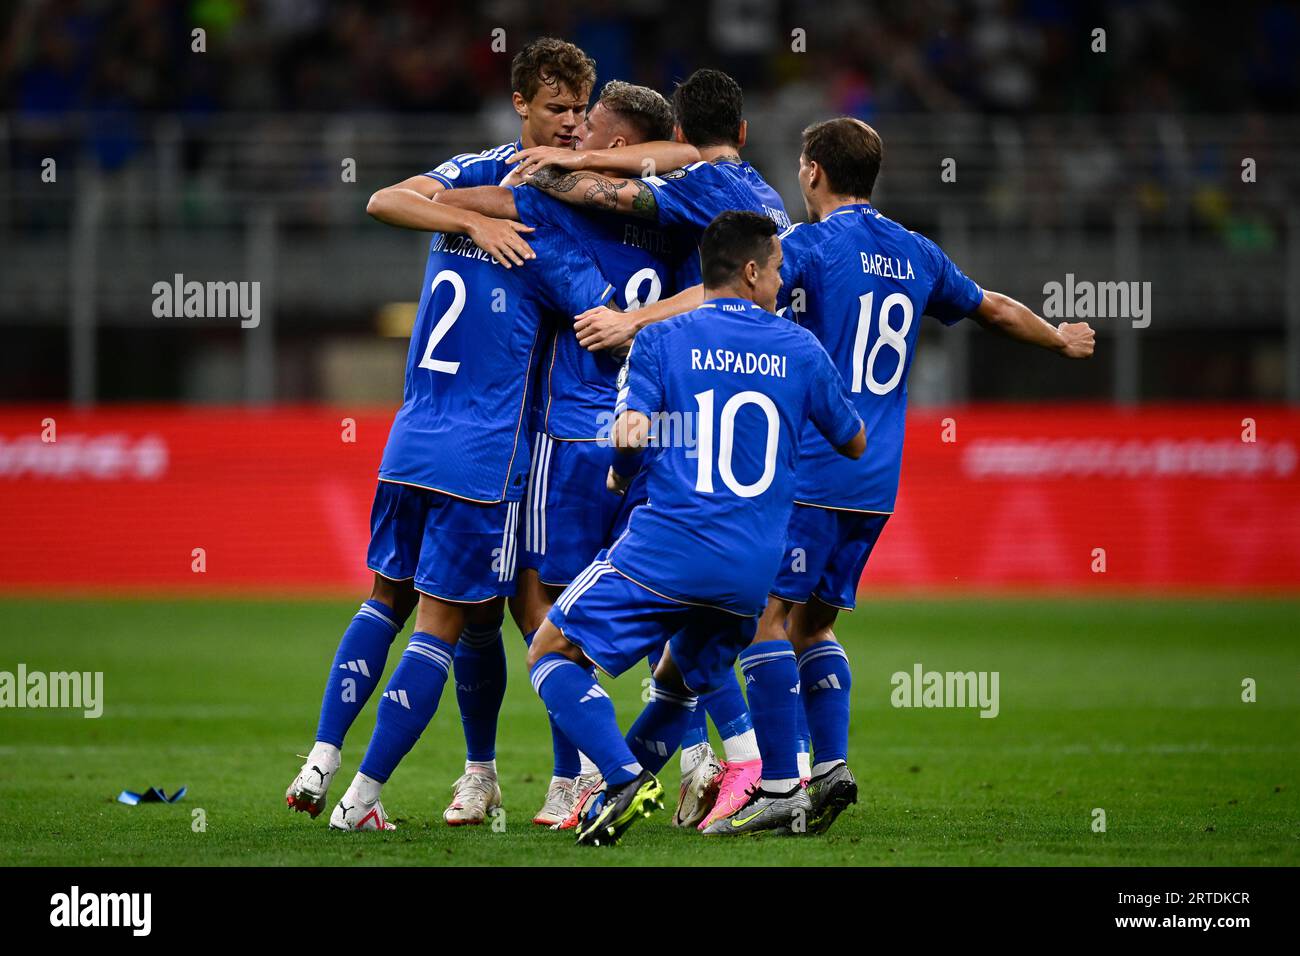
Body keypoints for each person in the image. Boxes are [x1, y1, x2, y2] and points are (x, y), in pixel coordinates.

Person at [526, 211, 865, 845]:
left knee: (548, 650)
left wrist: (622, 474)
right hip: (750, 569)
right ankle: (761, 790)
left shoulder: (662, 338)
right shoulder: (800, 347)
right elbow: (852, 440)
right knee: (676, 682)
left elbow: (628, 433)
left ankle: (622, 776)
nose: (783, 277)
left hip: (668, 549)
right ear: (752, 270)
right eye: (778, 266)